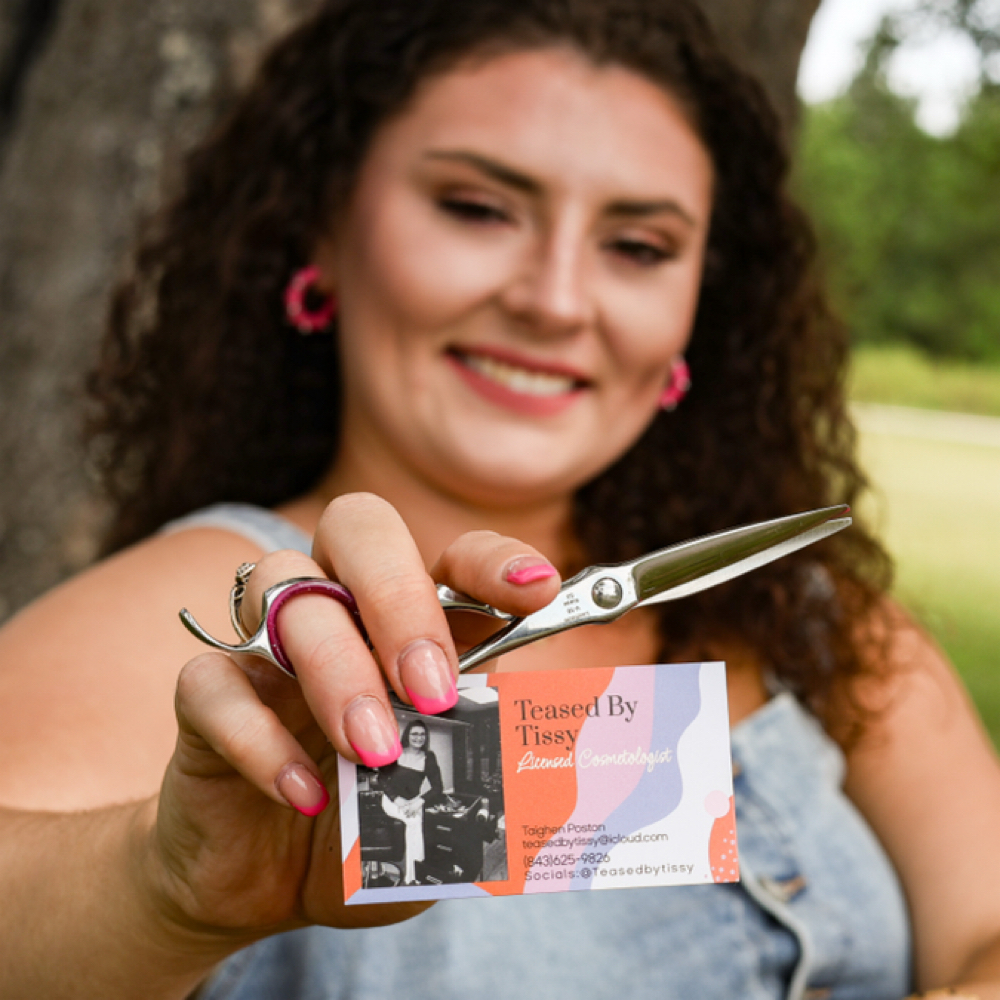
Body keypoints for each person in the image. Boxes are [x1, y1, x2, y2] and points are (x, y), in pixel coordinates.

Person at [0, 0, 999, 997]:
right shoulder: (209, 622)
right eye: (477, 209)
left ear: (701, 305)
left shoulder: (797, 612)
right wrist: (163, 895)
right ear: (322, 227)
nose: (556, 299)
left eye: (639, 247)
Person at [380, 719, 443, 885]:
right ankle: (414, 878)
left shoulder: (429, 757)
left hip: (414, 802)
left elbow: (438, 788)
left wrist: (418, 801)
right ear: (407, 735)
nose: (419, 738)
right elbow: (382, 778)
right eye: (414, 733)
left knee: (415, 824)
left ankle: (416, 874)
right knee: (414, 822)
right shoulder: (396, 752)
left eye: (422, 734)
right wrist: (397, 799)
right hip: (391, 800)